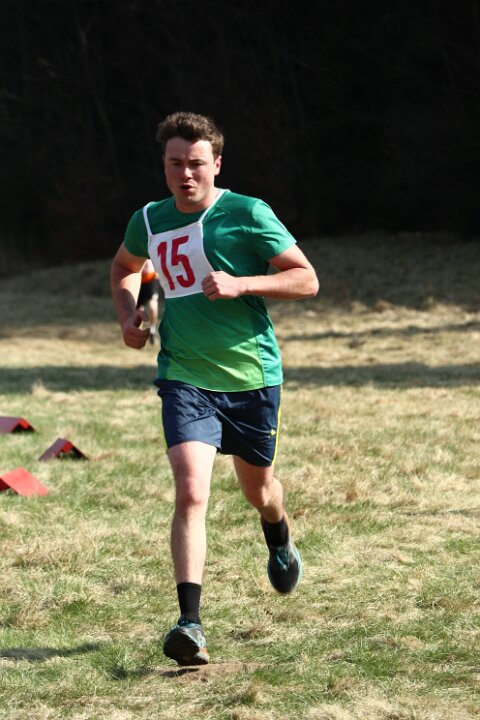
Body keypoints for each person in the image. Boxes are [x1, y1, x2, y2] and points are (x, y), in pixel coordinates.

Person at [110, 111, 319, 667]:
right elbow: (125, 266)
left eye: (196, 163)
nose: (185, 174)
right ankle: (190, 624)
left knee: (259, 491)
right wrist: (129, 315)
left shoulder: (246, 213)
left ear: (217, 164)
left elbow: (306, 278)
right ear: (164, 165)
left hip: (251, 379)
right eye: (175, 163)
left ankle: (277, 530)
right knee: (190, 491)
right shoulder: (148, 219)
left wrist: (242, 283)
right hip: (184, 376)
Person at [136, 259, 160, 344]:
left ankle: (152, 331)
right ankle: (139, 336)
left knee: (152, 307)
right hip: (137, 279)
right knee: (139, 311)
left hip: (151, 278)